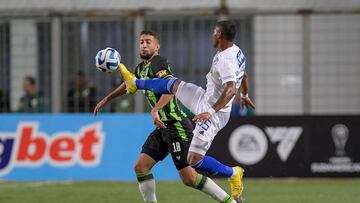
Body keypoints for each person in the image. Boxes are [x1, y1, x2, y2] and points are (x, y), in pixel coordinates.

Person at [94, 30, 240, 203]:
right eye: (141, 42)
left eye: (148, 42)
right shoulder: (141, 68)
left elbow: (170, 89)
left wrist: (155, 109)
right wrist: (106, 99)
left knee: (189, 178)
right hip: (162, 127)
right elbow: (129, 84)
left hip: (176, 125)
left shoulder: (158, 62)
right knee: (141, 167)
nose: (144, 45)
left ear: (157, 46)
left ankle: (229, 201)